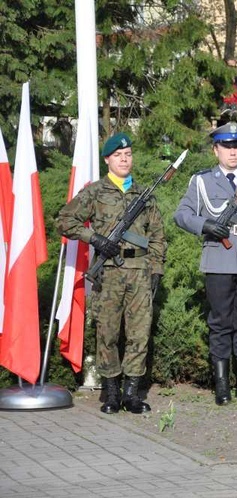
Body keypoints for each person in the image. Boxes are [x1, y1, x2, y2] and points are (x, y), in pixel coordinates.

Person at [57, 132, 166, 415]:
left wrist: (156, 269)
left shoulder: (145, 195)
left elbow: (157, 236)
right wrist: (94, 238)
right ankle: (111, 392)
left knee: (138, 334)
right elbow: (65, 220)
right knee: (107, 332)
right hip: (108, 272)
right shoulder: (95, 192)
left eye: (128, 155)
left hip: (140, 273)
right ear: (107, 159)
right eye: (118, 155)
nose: (124, 159)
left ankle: (132, 393)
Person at [174, 122, 237, 405]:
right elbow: (181, 215)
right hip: (218, 258)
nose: (233, 152)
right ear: (215, 149)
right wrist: (205, 224)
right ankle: (222, 386)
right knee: (220, 324)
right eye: (227, 147)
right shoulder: (202, 181)